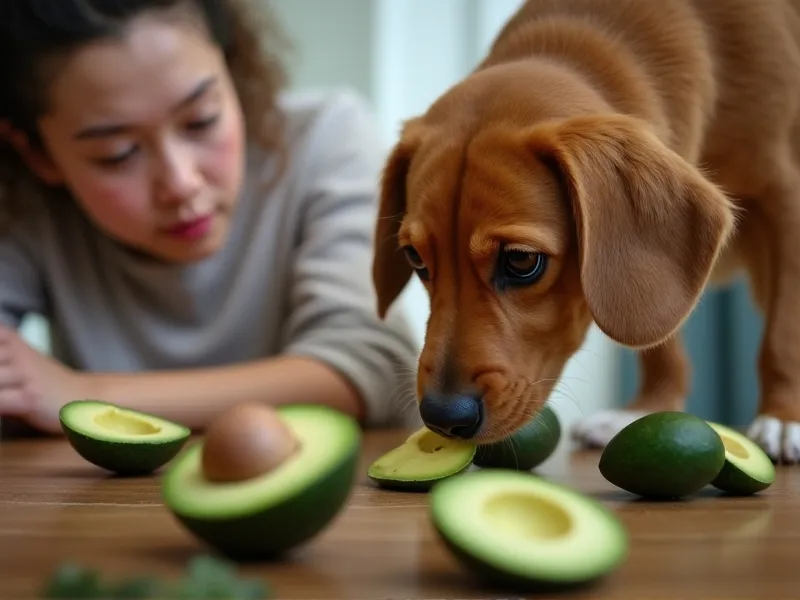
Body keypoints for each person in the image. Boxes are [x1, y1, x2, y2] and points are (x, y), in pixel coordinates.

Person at [0, 0, 420, 436]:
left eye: (201, 121)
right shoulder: (26, 200)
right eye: (117, 154)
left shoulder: (324, 138)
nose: (180, 183)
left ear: (231, 70)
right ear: (37, 152)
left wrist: (80, 394)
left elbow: (370, 366)